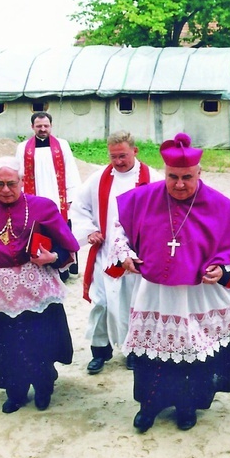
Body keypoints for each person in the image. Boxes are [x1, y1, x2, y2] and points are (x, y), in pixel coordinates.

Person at [112, 133, 230, 432]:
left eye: (187, 177)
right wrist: (124, 254)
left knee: (193, 356)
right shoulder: (142, 199)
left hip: (198, 294)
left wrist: (223, 271)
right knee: (152, 355)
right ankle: (149, 406)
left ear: (199, 173)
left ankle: (188, 407)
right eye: (172, 177)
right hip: (155, 294)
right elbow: (118, 232)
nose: (179, 184)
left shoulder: (219, 205)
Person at [0, 156, 80, 414]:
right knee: (7, 344)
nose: (6, 190)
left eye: (11, 183)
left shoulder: (43, 206)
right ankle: (16, 391)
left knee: (40, 342)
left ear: (22, 181)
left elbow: (67, 247)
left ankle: (44, 387)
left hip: (38, 292)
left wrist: (52, 257)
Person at [71, 130, 162, 375]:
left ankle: (133, 350)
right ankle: (100, 351)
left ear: (135, 151)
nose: (118, 161)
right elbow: (79, 207)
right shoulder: (98, 178)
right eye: (113, 157)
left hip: (137, 255)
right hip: (106, 252)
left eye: (123, 156)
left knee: (136, 303)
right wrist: (89, 230)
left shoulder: (152, 178)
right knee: (100, 302)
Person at [15, 111, 81, 280]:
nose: (43, 129)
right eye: (39, 126)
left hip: (58, 199)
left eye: (46, 126)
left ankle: (64, 270)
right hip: (34, 198)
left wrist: (71, 196)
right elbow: (19, 173)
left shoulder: (62, 145)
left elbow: (71, 170)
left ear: (51, 126)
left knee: (61, 231)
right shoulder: (23, 147)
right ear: (32, 127)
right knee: (37, 231)